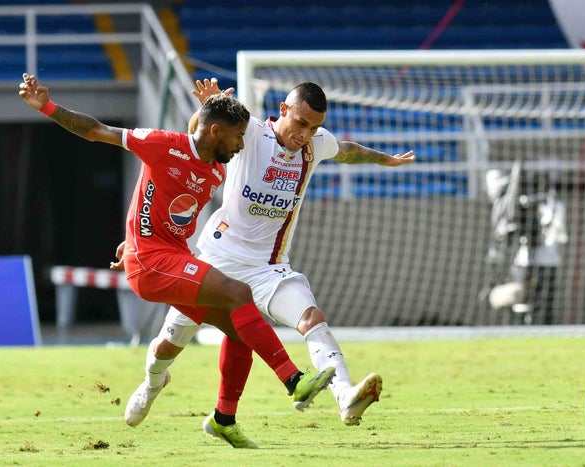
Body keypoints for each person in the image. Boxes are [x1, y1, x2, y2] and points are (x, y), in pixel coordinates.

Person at [18, 73, 335, 449]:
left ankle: (220, 417)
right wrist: (47, 107)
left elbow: (164, 205)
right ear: (216, 132)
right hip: (150, 263)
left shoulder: (216, 170)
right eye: (237, 137)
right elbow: (95, 130)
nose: (241, 145)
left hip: (175, 258)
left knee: (239, 330)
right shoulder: (160, 144)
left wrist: (131, 235)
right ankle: (294, 381)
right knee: (239, 294)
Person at [117, 78, 415, 446]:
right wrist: (205, 109)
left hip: (268, 269)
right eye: (301, 123)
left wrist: (385, 159)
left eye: (314, 128)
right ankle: (152, 383)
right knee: (169, 345)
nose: (306, 134)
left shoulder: (316, 144)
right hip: (218, 260)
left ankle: (345, 396)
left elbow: (348, 151)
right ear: (283, 110)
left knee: (312, 318)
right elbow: (200, 139)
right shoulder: (250, 134)